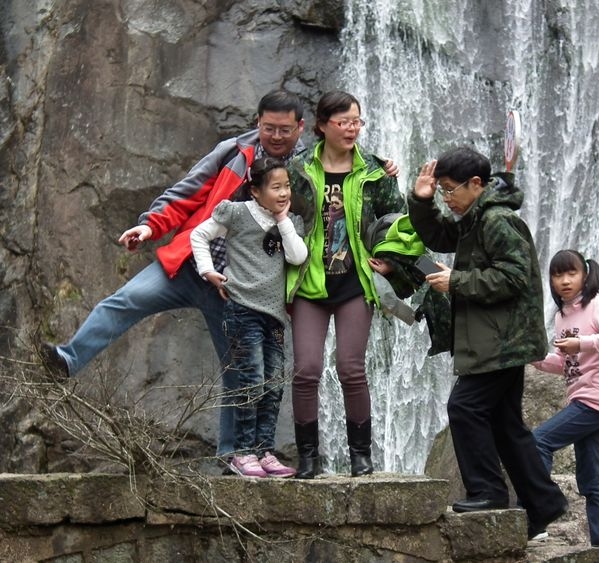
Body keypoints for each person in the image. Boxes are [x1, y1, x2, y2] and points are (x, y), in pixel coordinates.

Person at [39, 90, 307, 460]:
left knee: (239, 373)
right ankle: (67, 360)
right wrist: (149, 226)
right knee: (125, 300)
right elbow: (187, 193)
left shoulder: (308, 171)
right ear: (257, 122)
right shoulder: (234, 152)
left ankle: (233, 457)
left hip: (238, 292)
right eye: (268, 127)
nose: (276, 136)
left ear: (300, 127)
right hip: (189, 267)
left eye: (284, 130)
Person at [407, 146, 568, 538]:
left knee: (464, 407)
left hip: (503, 340)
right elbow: (440, 235)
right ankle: (543, 502)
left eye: (450, 190)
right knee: (505, 424)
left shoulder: (497, 220)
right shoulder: (475, 218)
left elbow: (515, 277)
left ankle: (488, 492)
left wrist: (457, 281)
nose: (447, 198)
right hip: (498, 337)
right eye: (442, 190)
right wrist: (423, 202)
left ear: (476, 184)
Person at [286, 90, 405, 478]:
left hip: (355, 283)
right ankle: (308, 458)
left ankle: (360, 456)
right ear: (322, 125)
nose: (353, 129)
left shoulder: (375, 169)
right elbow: (273, 207)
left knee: (351, 369)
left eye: (357, 121)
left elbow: (398, 220)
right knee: (306, 370)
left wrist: (390, 261)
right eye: (344, 122)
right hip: (310, 282)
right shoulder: (299, 168)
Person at [190, 157, 306, 478]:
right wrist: (208, 271)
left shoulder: (290, 222)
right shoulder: (237, 213)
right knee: (251, 380)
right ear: (255, 190)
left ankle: (264, 451)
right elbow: (199, 236)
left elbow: (298, 256)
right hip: (243, 309)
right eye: (276, 187)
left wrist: (282, 219)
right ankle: (242, 453)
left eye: (287, 186)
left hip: (274, 316)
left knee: (273, 383)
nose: (284, 193)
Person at [531, 249, 599, 563]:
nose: (565, 280)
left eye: (571, 273)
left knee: (538, 441)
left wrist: (583, 343)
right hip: (581, 397)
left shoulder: (595, 303)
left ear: (585, 275)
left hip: (597, 399)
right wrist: (533, 357)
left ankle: (538, 514)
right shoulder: (562, 315)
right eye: (558, 275)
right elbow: (566, 364)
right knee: (593, 479)